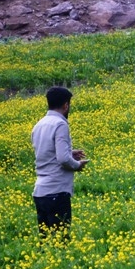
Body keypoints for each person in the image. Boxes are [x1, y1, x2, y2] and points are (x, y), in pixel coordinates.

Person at [31, 86, 89, 238]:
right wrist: (77, 165)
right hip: (56, 191)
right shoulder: (60, 124)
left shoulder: (39, 124)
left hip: (40, 192)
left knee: (46, 240)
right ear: (66, 105)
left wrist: (69, 153)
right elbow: (62, 159)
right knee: (61, 240)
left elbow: (46, 153)